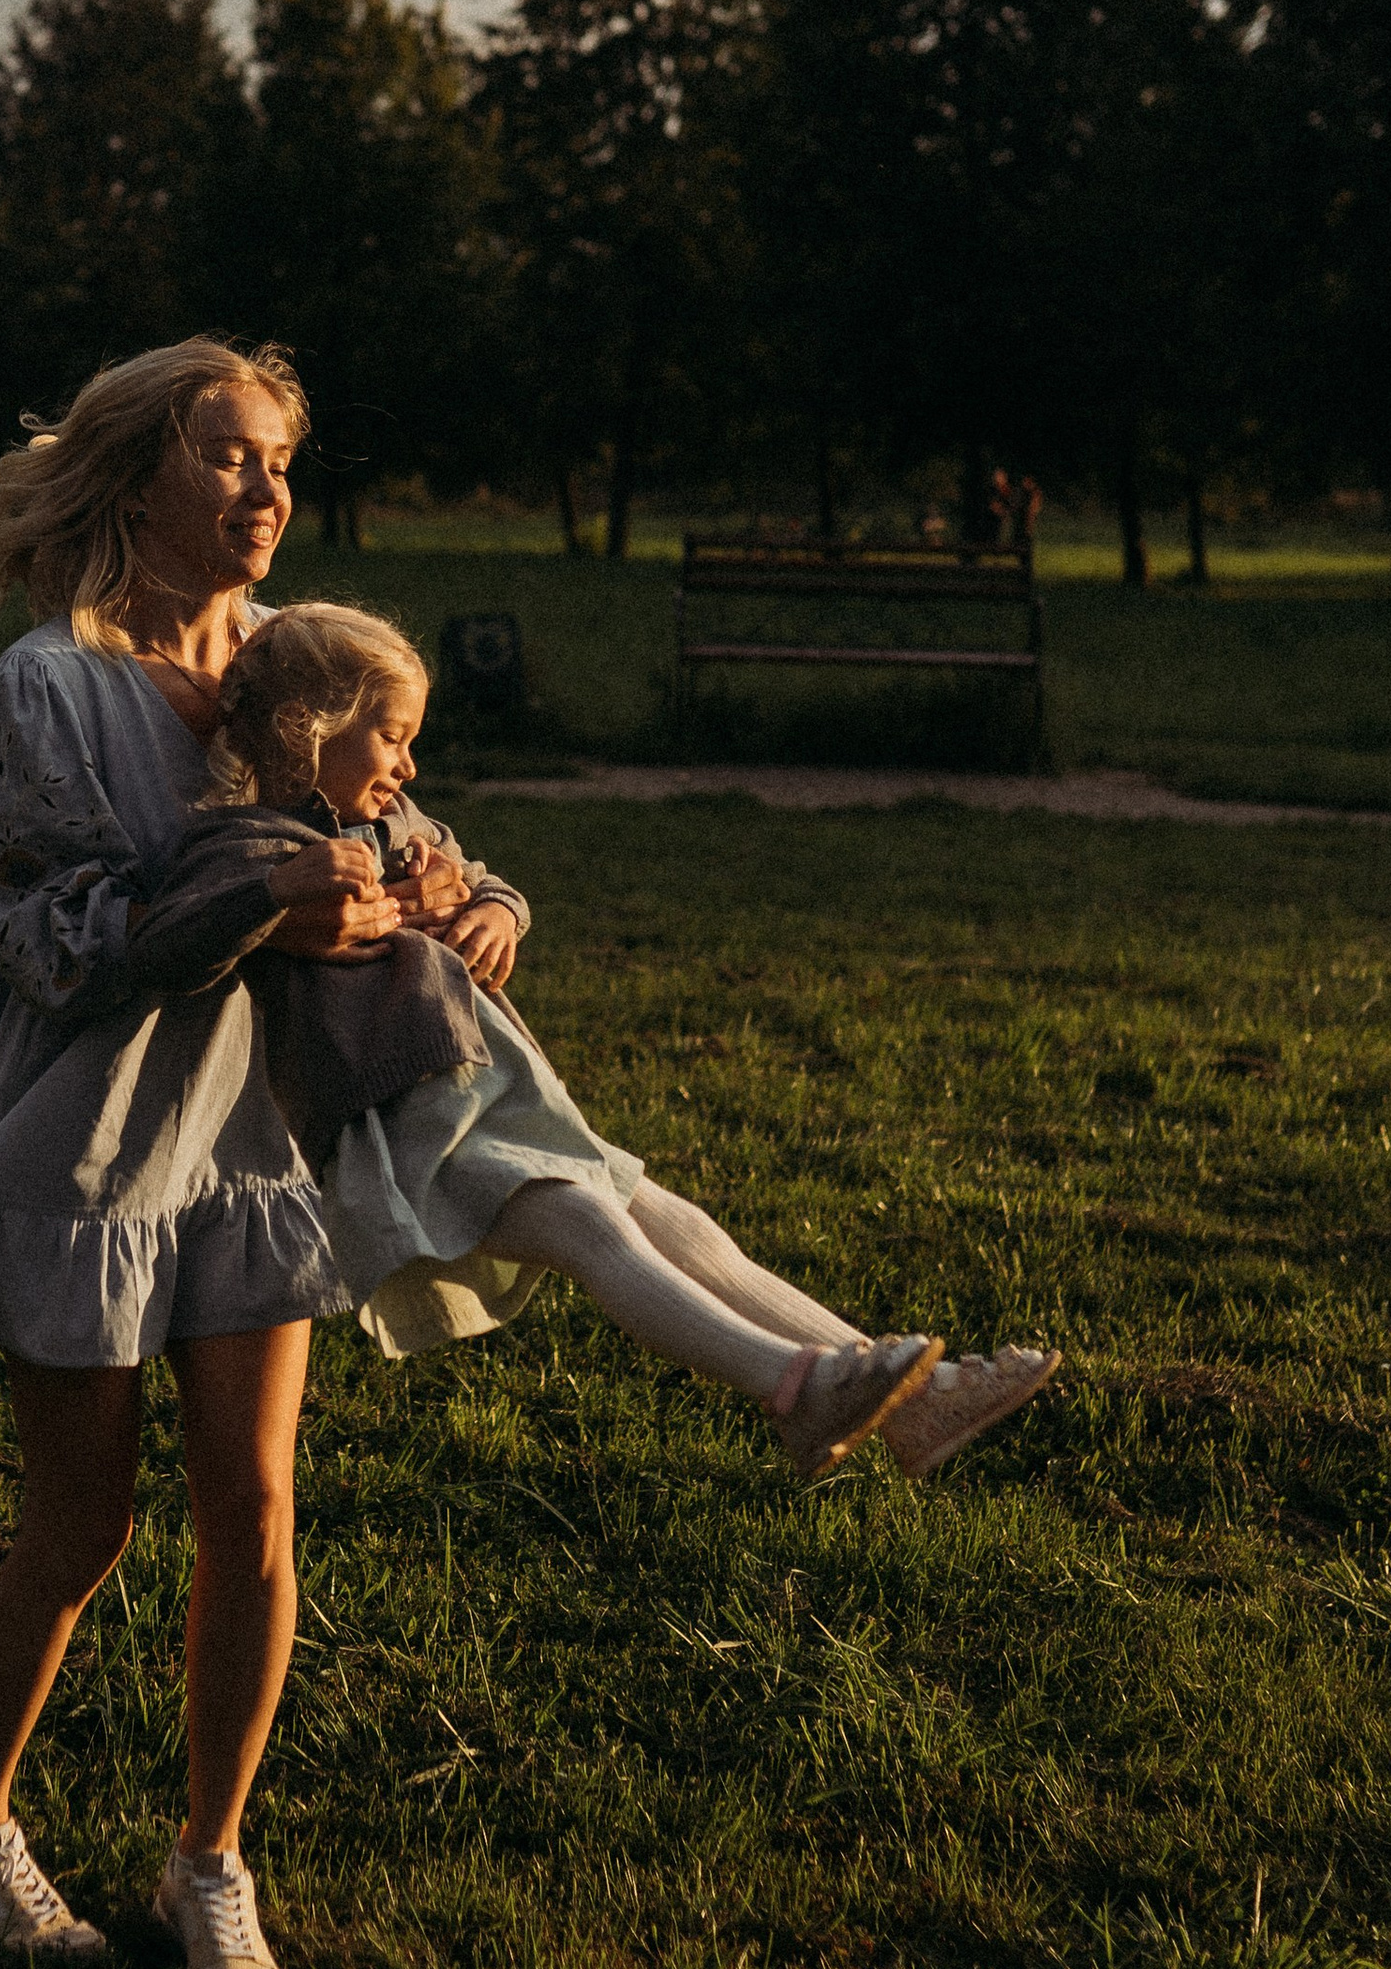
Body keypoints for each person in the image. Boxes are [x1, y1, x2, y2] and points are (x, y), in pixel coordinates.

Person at [0, 342, 471, 1969]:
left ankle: (211, 1866)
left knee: (253, 1515)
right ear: (138, 476)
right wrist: (261, 916)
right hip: (91, 1160)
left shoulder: (296, 677)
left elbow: (405, 830)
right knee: (80, 1527)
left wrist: (469, 902)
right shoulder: (44, 695)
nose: (266, 492)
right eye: (229, 458)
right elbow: (51, 942)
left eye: (280, 461)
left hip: (253, 1155)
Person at [127, 601, 1061, 1467]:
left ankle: (915, 1401)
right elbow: (173, 936)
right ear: (310, 729)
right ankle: (799, 1389)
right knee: (585, 1226)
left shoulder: (394, 822)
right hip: (407, 1136)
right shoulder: (247, 843)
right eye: (393, 737)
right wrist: (279, 893)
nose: (408, 764)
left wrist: (497, 912)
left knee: (676, 1222)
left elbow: (481, 874)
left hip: (499, 1096)